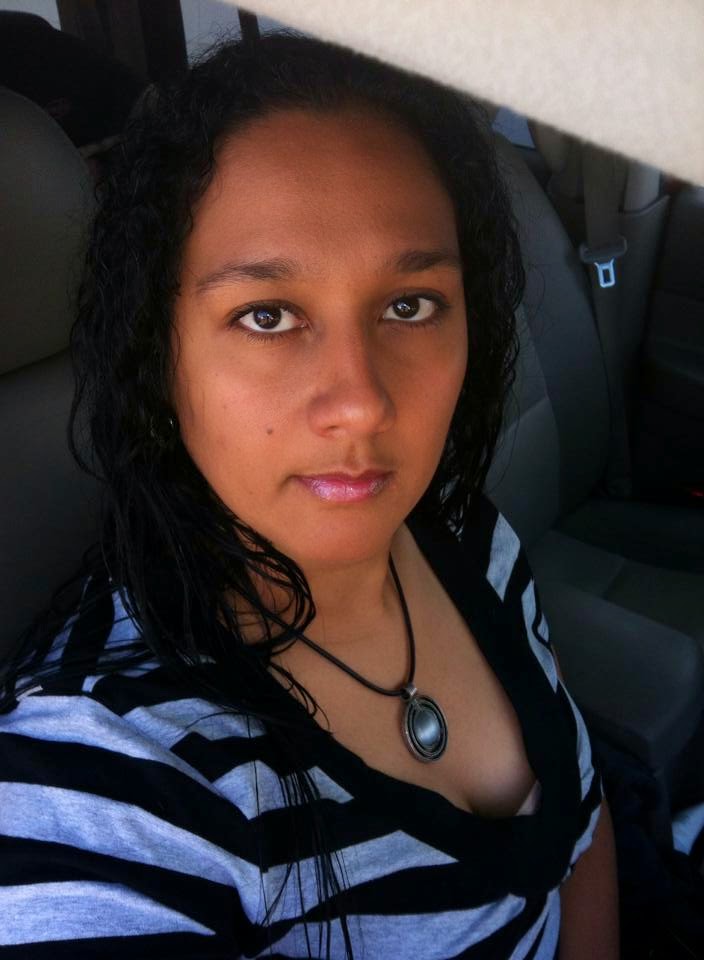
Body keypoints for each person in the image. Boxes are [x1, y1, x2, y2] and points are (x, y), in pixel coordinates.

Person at [0, 32, 618, 960]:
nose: (362, 401)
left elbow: (582, 829)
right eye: (268, 316)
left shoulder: (466, 535)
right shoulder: (104, 777)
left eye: (410, 304)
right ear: (159, 357)